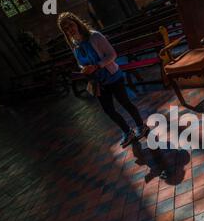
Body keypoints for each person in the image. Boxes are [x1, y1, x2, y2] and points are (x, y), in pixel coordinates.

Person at [57, 12, 149, 147]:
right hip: (98, 82)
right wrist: (84, 68)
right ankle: (127, 132)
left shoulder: (94, 36)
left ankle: (141, 126)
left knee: (125, 102)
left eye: (70, 25)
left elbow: (112, 54)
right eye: (66, 28)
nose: (70, 29)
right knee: (108, 110)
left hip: (113, 76)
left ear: (76, 23)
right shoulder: (74, 44)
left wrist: (97, 66)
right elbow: (80, 62)